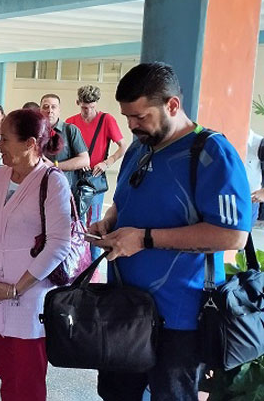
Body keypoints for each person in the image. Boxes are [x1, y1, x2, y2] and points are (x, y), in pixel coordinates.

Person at [90, 62, 251, 400]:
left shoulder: (210, 153)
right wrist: (109, 222)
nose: (131, 126)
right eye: (127, 117)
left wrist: (145, 238)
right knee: (117, 394)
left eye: (140, 117)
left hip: (179, 317)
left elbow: (233, 235)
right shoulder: (138, 147)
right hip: (124, 307)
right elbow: (123, 201)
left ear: (172, 105)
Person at [0, 108, 71, 401]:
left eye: (4, 139)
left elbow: (58, 244)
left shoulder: (52, 181)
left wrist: (15, 288)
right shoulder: (0, 176)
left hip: (29, 301)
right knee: (7, 378)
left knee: (28, 385)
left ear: (29, 143)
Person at [65, 85, 126, 257]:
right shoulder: (71, 122)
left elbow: (122, 147)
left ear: (97, 104)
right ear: (78, 103)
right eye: (84, 108)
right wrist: (78, 161)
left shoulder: (107, 120)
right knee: (76, 220)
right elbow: (67, 149)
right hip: (76, 177)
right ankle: (77, 261)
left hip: (95, 178)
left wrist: (107, 162)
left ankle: (92, 264)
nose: (88, 112)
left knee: (94, 223)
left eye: (92, 107)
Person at [39, 94, 89, 187]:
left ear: (59, 111)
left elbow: (84, 160)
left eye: (54, 107)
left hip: (64, 188)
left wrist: (54, 166)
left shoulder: (70, 130)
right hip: (39, 186)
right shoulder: (34, 131)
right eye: (46, 107)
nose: (50, 111)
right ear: (40, 110)